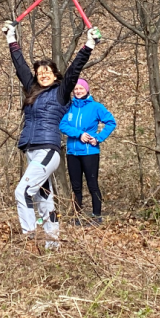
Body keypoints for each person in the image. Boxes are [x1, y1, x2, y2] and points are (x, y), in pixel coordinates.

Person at [2, 20, 101, 249]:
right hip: (30, 149)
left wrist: (89, 44)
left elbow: (75, 68)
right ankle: (53, 244)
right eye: (40, 72)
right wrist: (11, 38)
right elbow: (20, 67)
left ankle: (29, 239)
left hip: (48, 149)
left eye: (48, 72)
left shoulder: (61, 92)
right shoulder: (32, 90)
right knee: (43, 198)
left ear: (55, 76)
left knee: (23, 191)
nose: (43, 75)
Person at [60, 78, 116, 224]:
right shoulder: (69, 107)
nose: (78, 91)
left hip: (90, 152)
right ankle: (77, 216)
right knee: (76, 186)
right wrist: (79, 134)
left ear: (87, 90)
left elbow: (111, 122)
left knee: (92, 184)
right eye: (76, 89)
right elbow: (62, 125)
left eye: (81, 89)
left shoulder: (96, 107)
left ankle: (96, 216)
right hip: (72, 152)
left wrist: (98, 138)